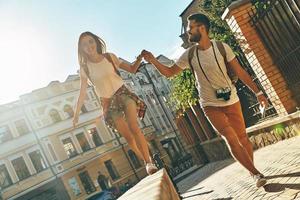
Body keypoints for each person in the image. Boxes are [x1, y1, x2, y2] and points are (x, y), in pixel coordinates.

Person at [142, 13, 268, 187]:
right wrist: (153, 60)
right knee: (231, 138)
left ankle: (251, 169)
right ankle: (255, 173)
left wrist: (258, 92)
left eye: (190, 28)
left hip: (231, 99)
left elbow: (240, 71)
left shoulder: (222, 48)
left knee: (243, 138)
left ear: (202, 28)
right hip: (209, 104)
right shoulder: (190, 54)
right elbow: (170, 72)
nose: (187, 32)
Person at [73, 32, 158, 175]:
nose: (89, 46)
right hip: (108, 103)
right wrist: (76, 114)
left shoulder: (109, 57)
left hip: (123, 93)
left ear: (96, 42)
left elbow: (131, 69)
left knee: (134, 126)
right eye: (84, 44)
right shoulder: (85, 68)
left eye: (90, 41)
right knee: (129, 138)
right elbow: (82, 93)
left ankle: (149, 162)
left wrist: (139, 58)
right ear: (81, 49)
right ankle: (145, 160)